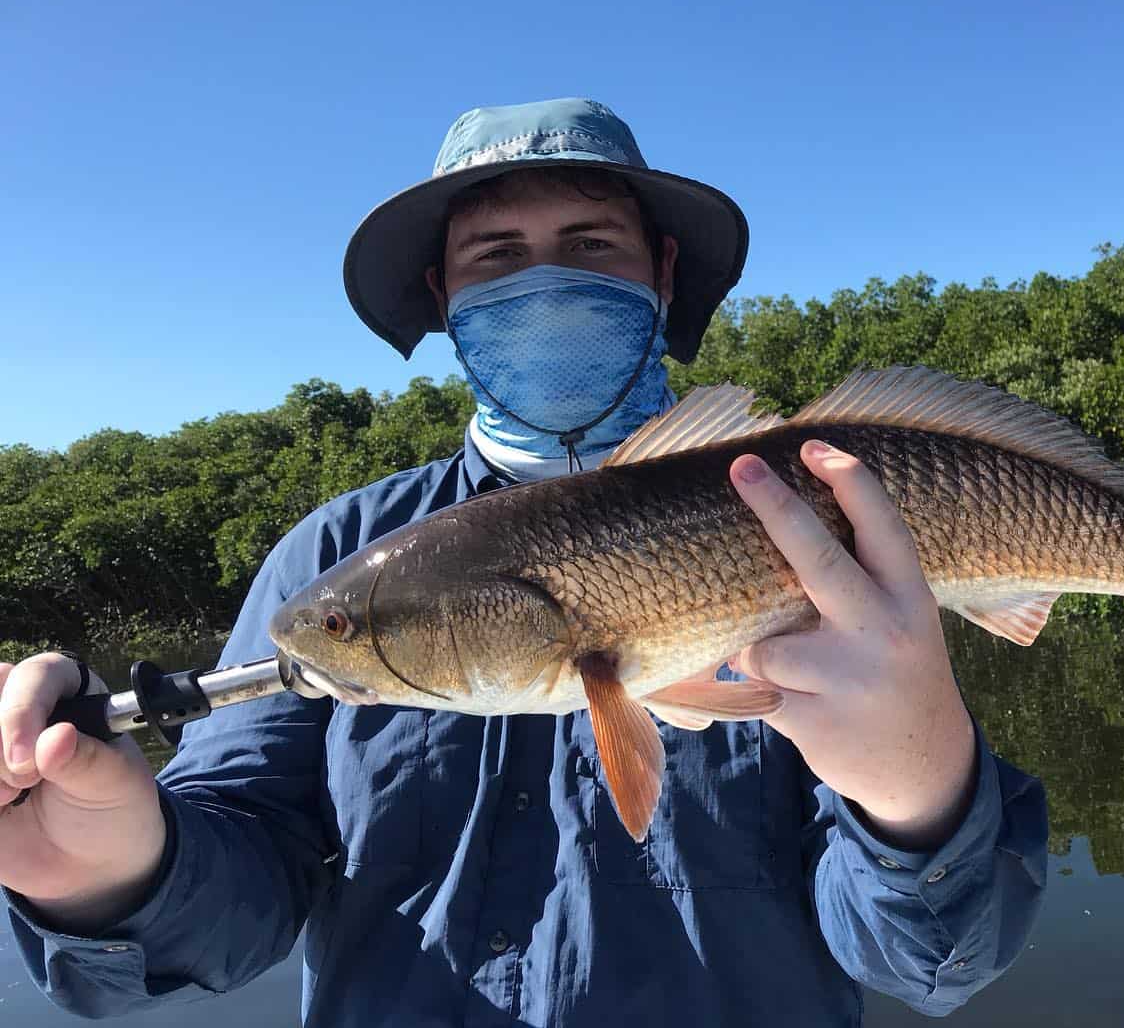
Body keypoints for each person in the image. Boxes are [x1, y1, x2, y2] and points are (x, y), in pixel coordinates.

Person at [0, 98, 1048, 1025]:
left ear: (663, 273)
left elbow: (932, 962)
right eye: (497, 256)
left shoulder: (802, 519)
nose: (546, 285)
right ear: (441, 294)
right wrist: (107, 872)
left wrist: (919, 794)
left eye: (590, 245)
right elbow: (238, 900)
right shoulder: (335, 555)